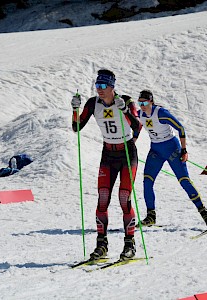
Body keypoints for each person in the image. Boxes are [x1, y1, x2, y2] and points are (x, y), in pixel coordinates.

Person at [71, 69, 142, 260]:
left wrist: (125, 111)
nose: (99, 90)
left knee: (124, 197)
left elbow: (137, 126)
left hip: (127, 152)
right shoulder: (93, 103)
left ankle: (130, 245)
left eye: (103, 86)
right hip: (108, 153)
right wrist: (75, 109)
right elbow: (76, 127)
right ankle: (101, 245)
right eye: (97, 86)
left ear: (112, 87)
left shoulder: (126, 101)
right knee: (103, 198)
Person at [136, 89, 207, 228]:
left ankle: (204, 213)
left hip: (172, 148)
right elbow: (136, 128)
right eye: (140, 102)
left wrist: (184, 150)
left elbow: (181, 128)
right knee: (147, 181)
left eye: (145, 102)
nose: (142, 105)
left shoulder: (161, 113)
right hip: (156, 150)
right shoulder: (140, 114)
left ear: (151, 102)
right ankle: (151, 216)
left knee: (184, 180)